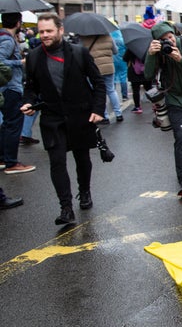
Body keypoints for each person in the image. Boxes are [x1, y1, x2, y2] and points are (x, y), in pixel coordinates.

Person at [21, 13, 106, 224]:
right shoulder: (33, 57)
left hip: (80, 115)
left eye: (49, 31)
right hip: (52, 119)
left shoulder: (78, 53)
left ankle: (84, 191)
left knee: (82, 159)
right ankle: (66, 208)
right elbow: (31, 88)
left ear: (60, 30)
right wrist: (29, 103)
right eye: (41, 32)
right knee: (57, 163)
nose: (45, 35)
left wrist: (98, 109)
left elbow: (98, 82)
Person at [144, 21, 182, 198]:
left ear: (174, 34)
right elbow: (147, 75)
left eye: (170, 37)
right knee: (180, 138)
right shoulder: (158, 53)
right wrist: (151, 54)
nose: (169, 42)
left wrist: (181, 59)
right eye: (163, 40)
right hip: (174, 99)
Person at [0, 12, 36, 174]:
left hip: (7, 87)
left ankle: (3, 158)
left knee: (7, 125)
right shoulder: (7, 40)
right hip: (11, 87)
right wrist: (20, 62)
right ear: (18, 23)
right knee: (13, 125)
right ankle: (11, 162)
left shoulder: (6, 38)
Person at [79, 34, 123, 124]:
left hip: (93, 68)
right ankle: (118, 114)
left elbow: (79, 52)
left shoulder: (84, 38)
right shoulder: (108, 36)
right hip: (109, 67)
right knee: (111, 90)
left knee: (97, 92)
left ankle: (104, 116)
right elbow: (115, 51)